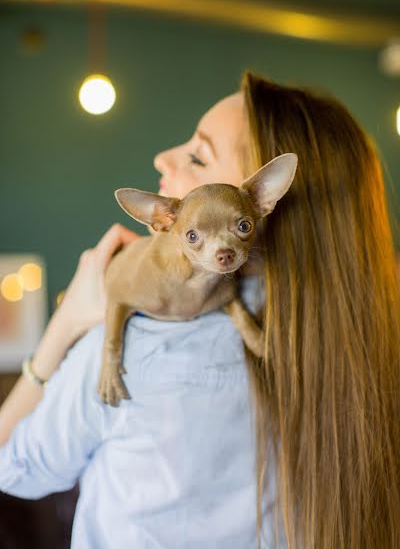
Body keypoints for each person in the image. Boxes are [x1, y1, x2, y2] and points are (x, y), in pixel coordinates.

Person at [0, 71, 399, 549]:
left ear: (264, 197)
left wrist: (64, 329)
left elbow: (13, 469)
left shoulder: (141, 344)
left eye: (197, 155)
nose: (162, 157)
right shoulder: (371, 346)